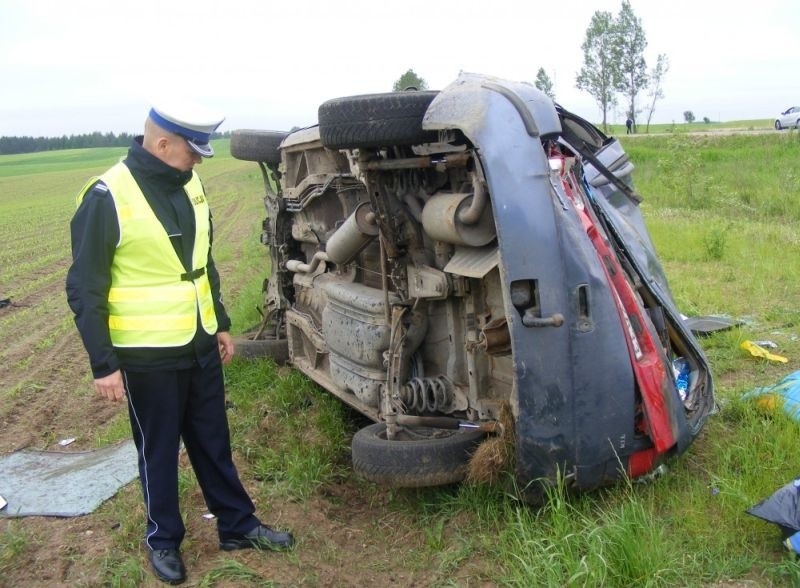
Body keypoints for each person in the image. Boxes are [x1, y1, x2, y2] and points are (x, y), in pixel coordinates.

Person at [66, 103, 294, 585]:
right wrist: (102, 364)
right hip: (146, 355)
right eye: (193, 150)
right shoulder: (108, 196)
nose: (201, 159)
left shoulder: (189, 182)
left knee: (214, 441)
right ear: (162, 143)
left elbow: (201, 260)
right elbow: (85, 288)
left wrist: (222, 323)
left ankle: (237, 525)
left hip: (199, 341)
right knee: (159, 449)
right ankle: (163, 540)